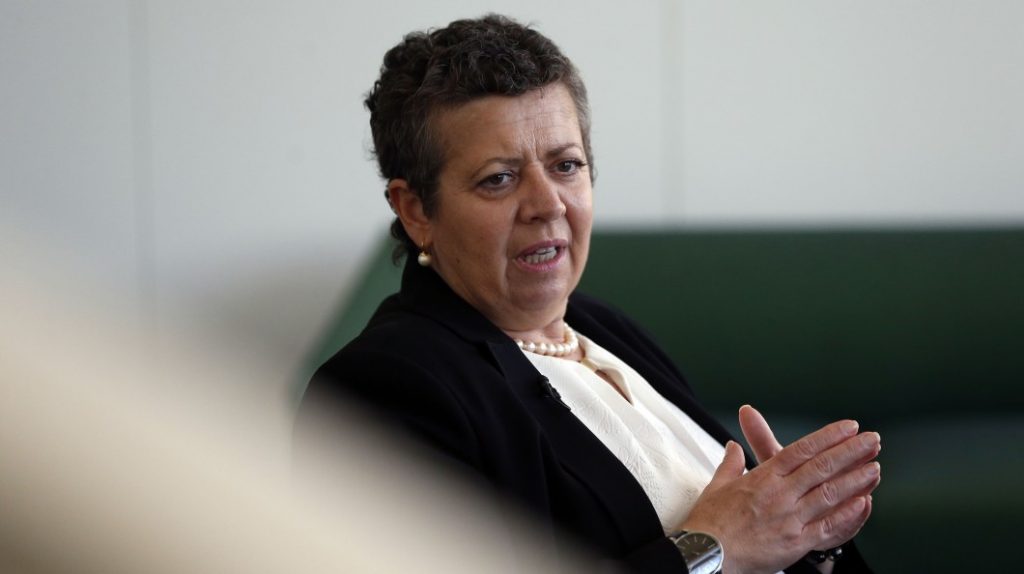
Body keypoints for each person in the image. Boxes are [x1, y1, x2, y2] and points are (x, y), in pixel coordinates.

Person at [298, 14, 880, 574]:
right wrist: (712, 550)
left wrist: (809, 540)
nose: (547, 203)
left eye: (566, 165)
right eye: (499, 178)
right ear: (416, 210)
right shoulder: (378, 389)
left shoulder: (606, 330)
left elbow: (756, 541)